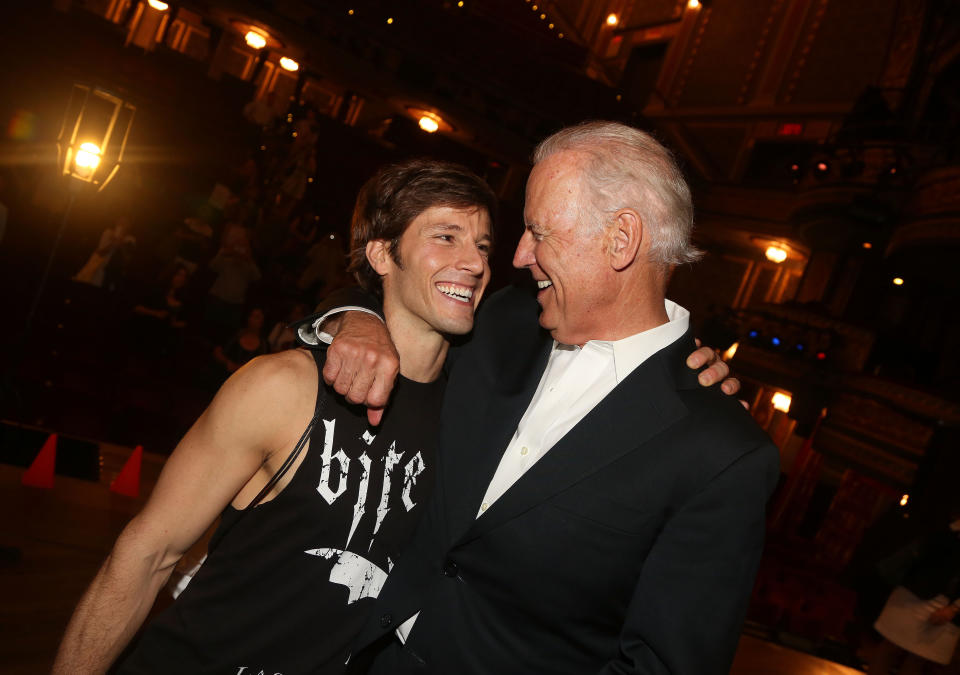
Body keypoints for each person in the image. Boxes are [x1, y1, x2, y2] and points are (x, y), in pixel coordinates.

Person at [317, 121, 779, 674]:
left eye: (539, 232)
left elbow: (661, 666)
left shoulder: (720, 451)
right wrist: (355, 319)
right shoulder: (499, 321)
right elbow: (394, 290)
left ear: (621, 239)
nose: (516, 256)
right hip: (348, 652)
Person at [52, 158, 498, 674]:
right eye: (446, 237)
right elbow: (146, 556)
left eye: (483, 245)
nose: (473, 262)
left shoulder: (469, 420)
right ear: (381, 253)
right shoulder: (283, 386)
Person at [869, 515, 960, 674]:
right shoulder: (949, 526)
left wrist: (954, 608)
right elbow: (929, 545)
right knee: (890, 646)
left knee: (918, 657)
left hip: (949, 599)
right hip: (916, 590)